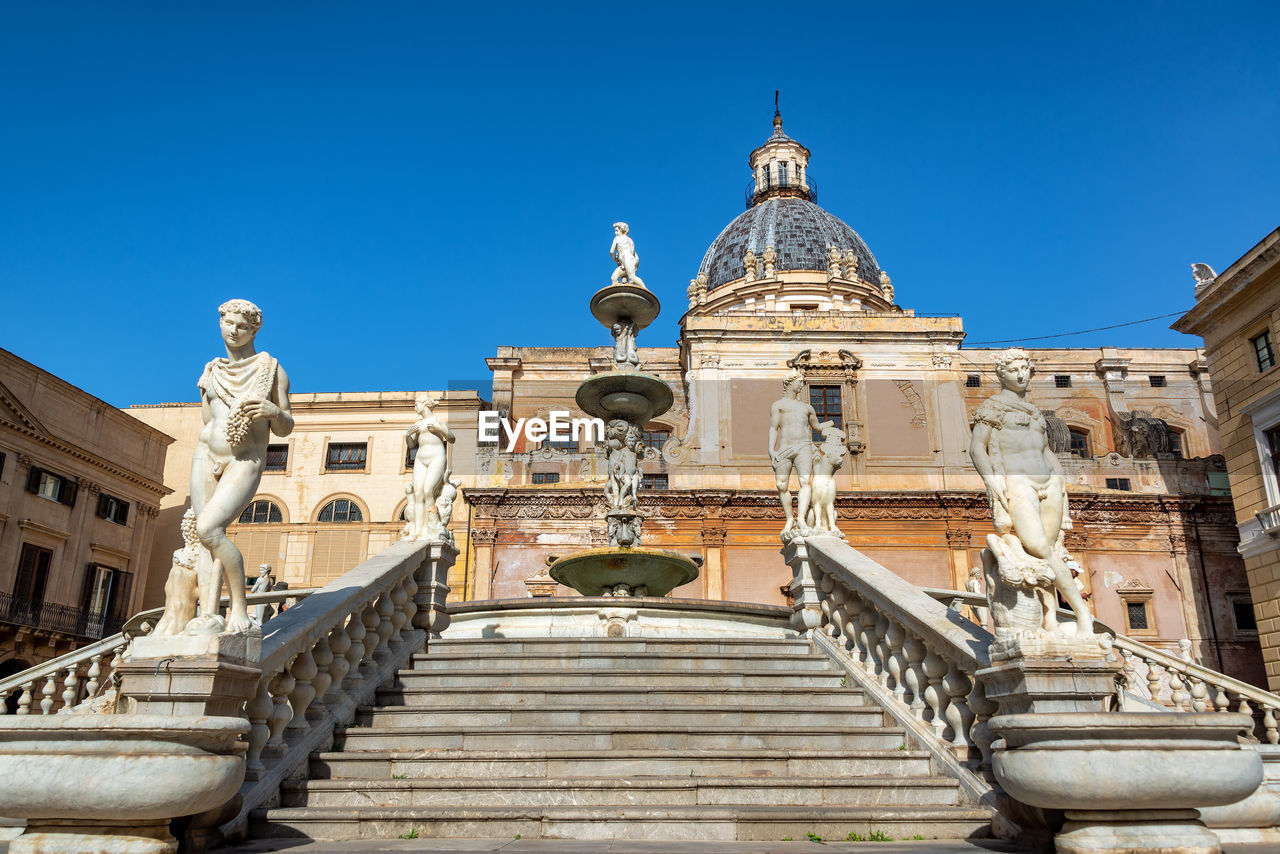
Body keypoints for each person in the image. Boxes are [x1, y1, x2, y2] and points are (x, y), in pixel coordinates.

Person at [970, 348, 1094, 636]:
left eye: (1025, 369)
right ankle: (1082, 614)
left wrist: (1061, 481)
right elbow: (977, 447)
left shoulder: (1036, 412)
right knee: (1040, 548)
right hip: (1018, 482)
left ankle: (1049, 618)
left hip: (1048, 482)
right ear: (1001, 374)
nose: (1021, 375)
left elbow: (1047, 450)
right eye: (1014, 370)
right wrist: (991, 480)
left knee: (1047, 553)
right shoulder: (992, 407)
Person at [187, 299, 293, 635]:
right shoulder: (211, 369)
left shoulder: (272, 369)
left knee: (208, 529)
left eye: (243, 327)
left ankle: (239, 609)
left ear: (254, 330)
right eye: (229, 324)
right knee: (203, 542)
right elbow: (207, 419)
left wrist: (273, 411)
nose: (234, 332)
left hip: (245, 458)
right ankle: (205, 616)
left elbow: (286, 427)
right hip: (205, 455)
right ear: (220, 323)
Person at [768, 369, 831, 540]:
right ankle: (790, 519)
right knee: (781, 485)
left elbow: (816, 427)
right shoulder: (778, 405)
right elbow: (774, 428)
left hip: (804, 446)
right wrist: (771, 449)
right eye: (800, 381)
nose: (802, 385)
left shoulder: (807, 407)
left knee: (805, 482)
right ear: (790, 382)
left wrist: (831, 424)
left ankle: (801, 520)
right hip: (785, 448)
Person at [407, 395, 455, 539]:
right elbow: (411, 445)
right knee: (418, 494)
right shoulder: (417, 424)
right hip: (421, 458)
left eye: (417, 404)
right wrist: (408, 434)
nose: (415, 407)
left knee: (428, 491)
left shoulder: (438, 421)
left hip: (436, 456)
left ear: (425, 404)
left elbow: (452, 438)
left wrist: (439, 428)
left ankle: (431, 527)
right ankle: (417, 530)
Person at [609, 222, 645, 288]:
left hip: (627, 260)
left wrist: (616, 260)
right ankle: (622, 292)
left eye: (616, 231)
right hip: (629, 262)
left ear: (621, 230)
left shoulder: (617, 238)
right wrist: (635, 266)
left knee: (632, 277)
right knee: (614, 278)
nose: (615, 233)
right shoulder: (631, 241)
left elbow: (611, 252)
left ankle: (644, 289)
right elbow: (636, 257)